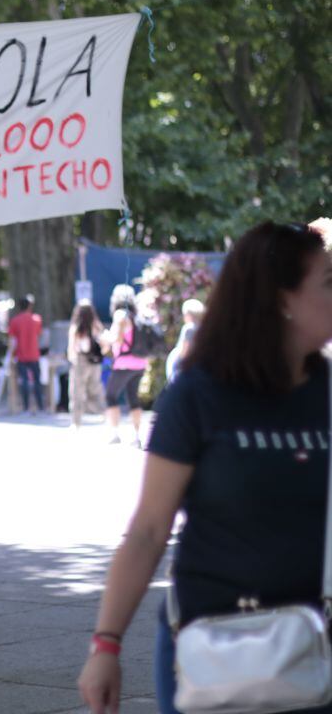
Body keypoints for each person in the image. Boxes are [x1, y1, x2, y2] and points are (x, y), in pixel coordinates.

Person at [78, 220, 332, 714]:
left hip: (315, 650)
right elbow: (149, 531)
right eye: (328, 281)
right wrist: (105, 645)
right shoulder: (198, 395)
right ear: (280, 298)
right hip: (212, 648)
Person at [100, 285, 148, 445]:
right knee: (133, 398)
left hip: (123, 364)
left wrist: (105, 337)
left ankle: (114, 434)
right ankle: (137, 436)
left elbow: (117, 339)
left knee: (110, 396)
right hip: (140, 363)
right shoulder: (136, 315)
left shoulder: (120, 315)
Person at [67, 300, 106, 429]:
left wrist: (72, 359)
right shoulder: (96, 325)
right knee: (96, 388)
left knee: (76, 391)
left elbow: (72, 347)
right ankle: (105, 414)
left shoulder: (76, 327)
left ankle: (76, 421)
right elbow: (103, 342)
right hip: (95, 361)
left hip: (80, 360)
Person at [7, 294, 44, 414]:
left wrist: (11, 356)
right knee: (37, 381)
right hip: (34, 354)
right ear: (29, 306)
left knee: (24, 382)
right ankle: (40, 407)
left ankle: (26, 407)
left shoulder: (15, 321)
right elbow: (39, 336)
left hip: (21, 355)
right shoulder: (37, 319)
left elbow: (12, 341)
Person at [164, 298, 205, 383]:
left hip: (185, 364)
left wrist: (177, 365)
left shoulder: (189, 328)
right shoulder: (204, 327)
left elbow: (185, 349)